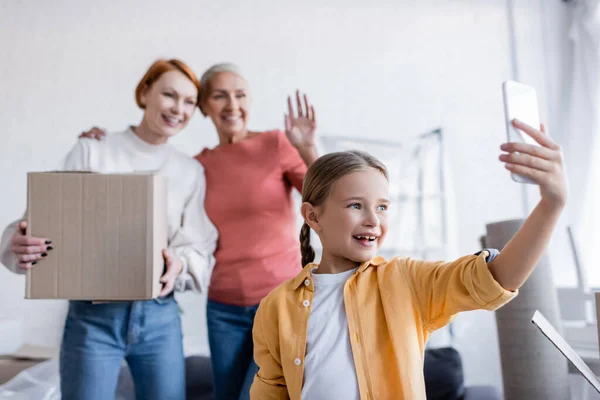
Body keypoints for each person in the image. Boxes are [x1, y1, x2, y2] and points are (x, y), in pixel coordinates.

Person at [249, 119, 568, 399]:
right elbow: (270, 392)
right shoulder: (276, 307)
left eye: (383, 206)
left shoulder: (406, 280)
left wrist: (551, 204)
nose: (374, 220)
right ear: (313, 217)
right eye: (356, 205)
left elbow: (495, 278)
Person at [79, 62, 319, 400]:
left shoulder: (276, 144)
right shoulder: (196, 166)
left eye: (240, 95)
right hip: (223, 308)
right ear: (203, 107)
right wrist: (103, 143)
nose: (232, 105)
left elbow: (326, 197)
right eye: (219, 96)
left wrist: (307, 147)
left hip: (280, 301)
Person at [0, 59, 218, 400]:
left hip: (159, 316)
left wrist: (179, 263)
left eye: (189, 101)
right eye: (169, 95)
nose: (179, 108)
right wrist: (18, 244)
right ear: (145, 92)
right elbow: (37, 222)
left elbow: (199, 246)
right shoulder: (93, 149)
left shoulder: (189, 171)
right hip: (92, 318)